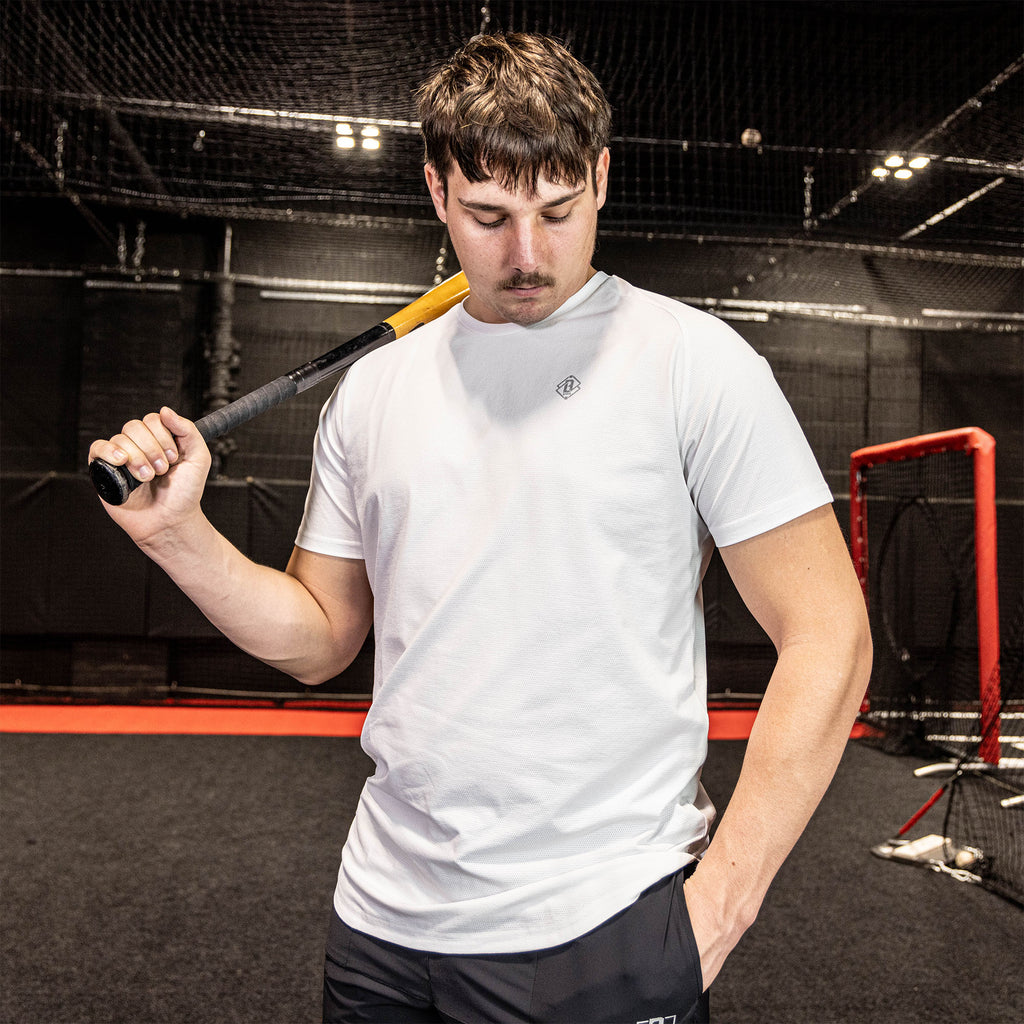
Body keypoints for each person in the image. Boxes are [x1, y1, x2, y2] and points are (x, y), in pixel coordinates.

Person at [89, 32, 871, 1024]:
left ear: (600, 179)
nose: (527, 255)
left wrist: (717, 909)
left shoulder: (694, 363)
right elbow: (320, 638)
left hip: (604, 923)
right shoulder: (374, 391)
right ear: (436, 191)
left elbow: (830, 635)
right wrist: (175, 534)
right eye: (490, 216)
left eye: (558, 210)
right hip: (380, 925)